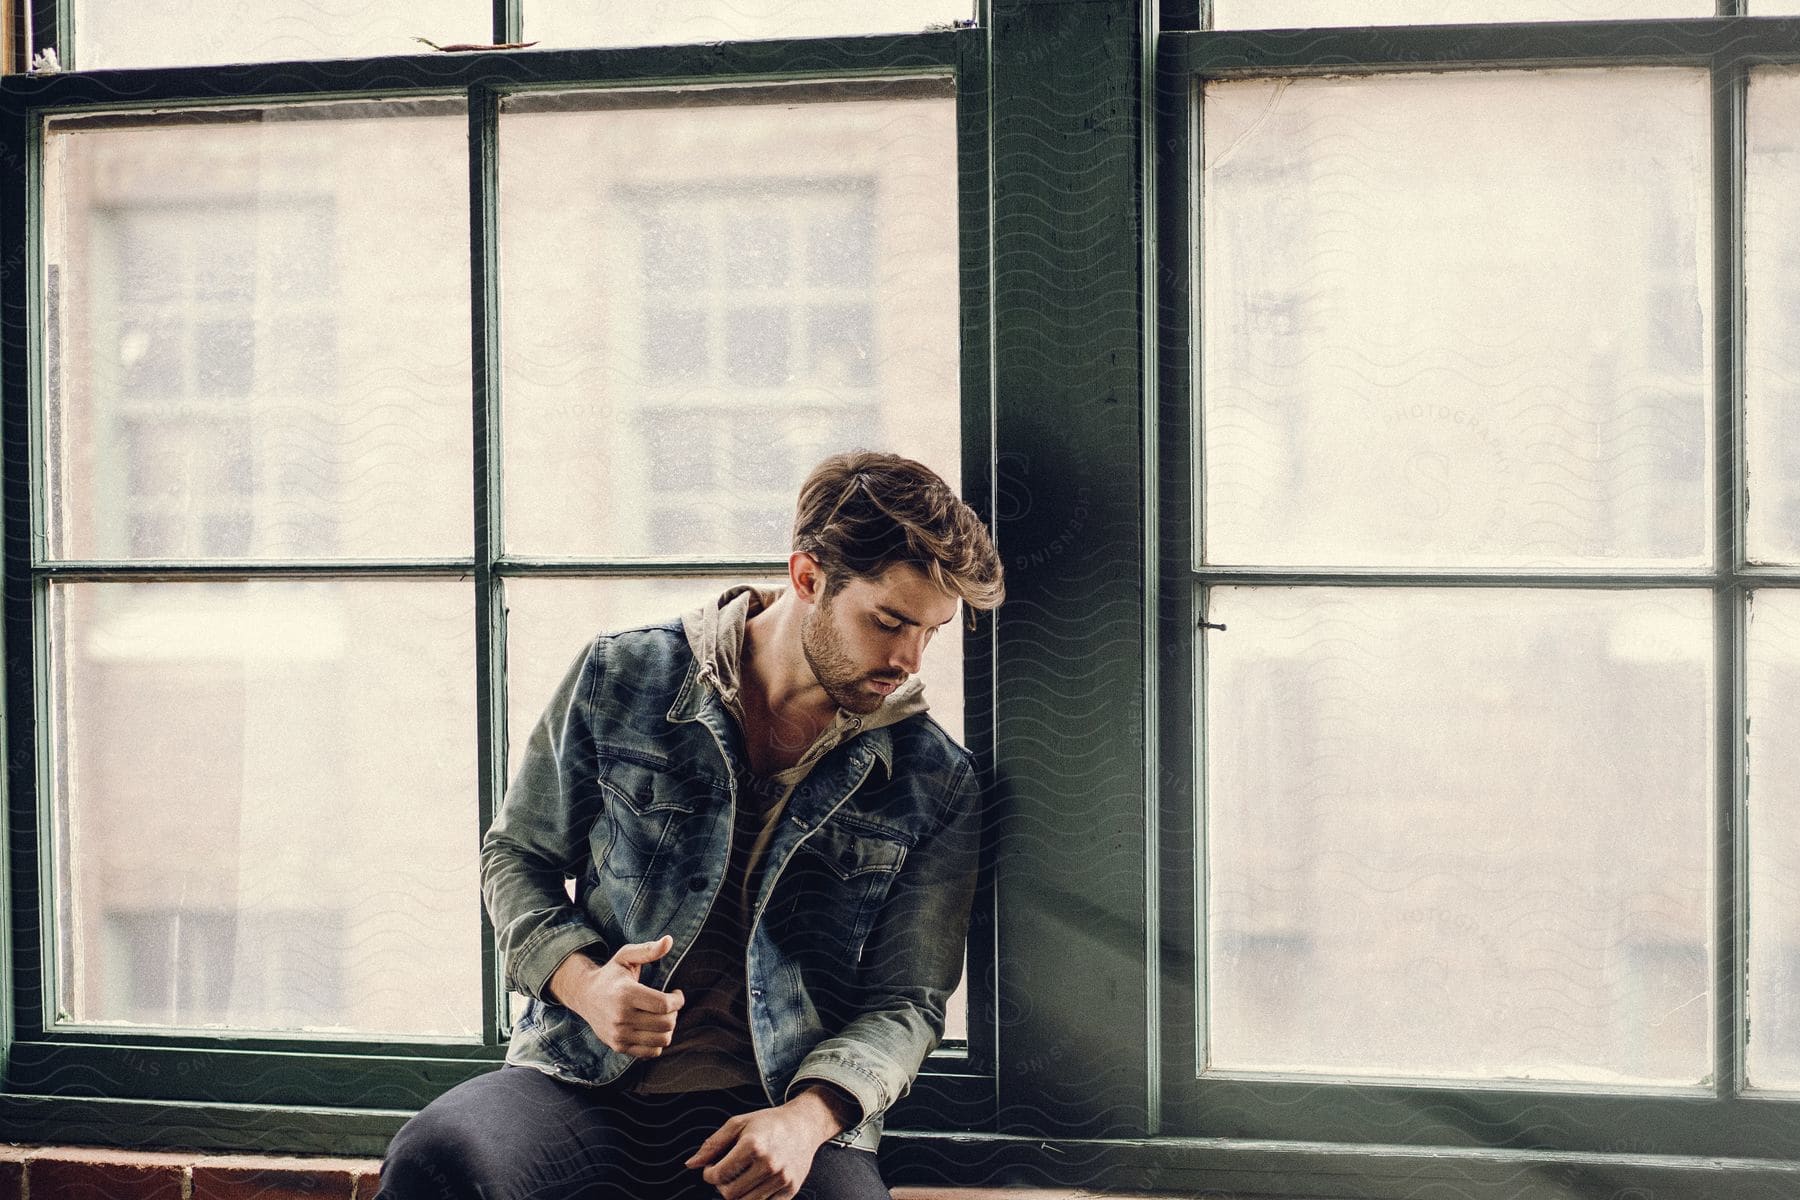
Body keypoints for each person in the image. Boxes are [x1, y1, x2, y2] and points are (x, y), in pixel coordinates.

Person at [377, 450, 1004, 1200]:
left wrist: (807, 1121)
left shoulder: (934, 779)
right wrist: (586, 987)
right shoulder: (621, 675)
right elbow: (516, 857)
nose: (908, 659)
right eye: (889, 621)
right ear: (808, 577)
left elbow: (907, 1002)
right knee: (439, 1156)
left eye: (930, 632)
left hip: (777, 1102)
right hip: (583, 1081)